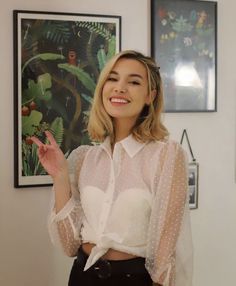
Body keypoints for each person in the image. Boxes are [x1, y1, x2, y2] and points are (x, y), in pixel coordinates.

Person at [31, 50, 193, 286]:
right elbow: (68, 245)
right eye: (113, 78)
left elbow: (165, 249)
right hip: (81, 276)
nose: (119, 88)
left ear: (151, 95)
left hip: (134, 280)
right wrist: (60, 176)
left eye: (134, 82)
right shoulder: (84, 158)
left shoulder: (167, 156)